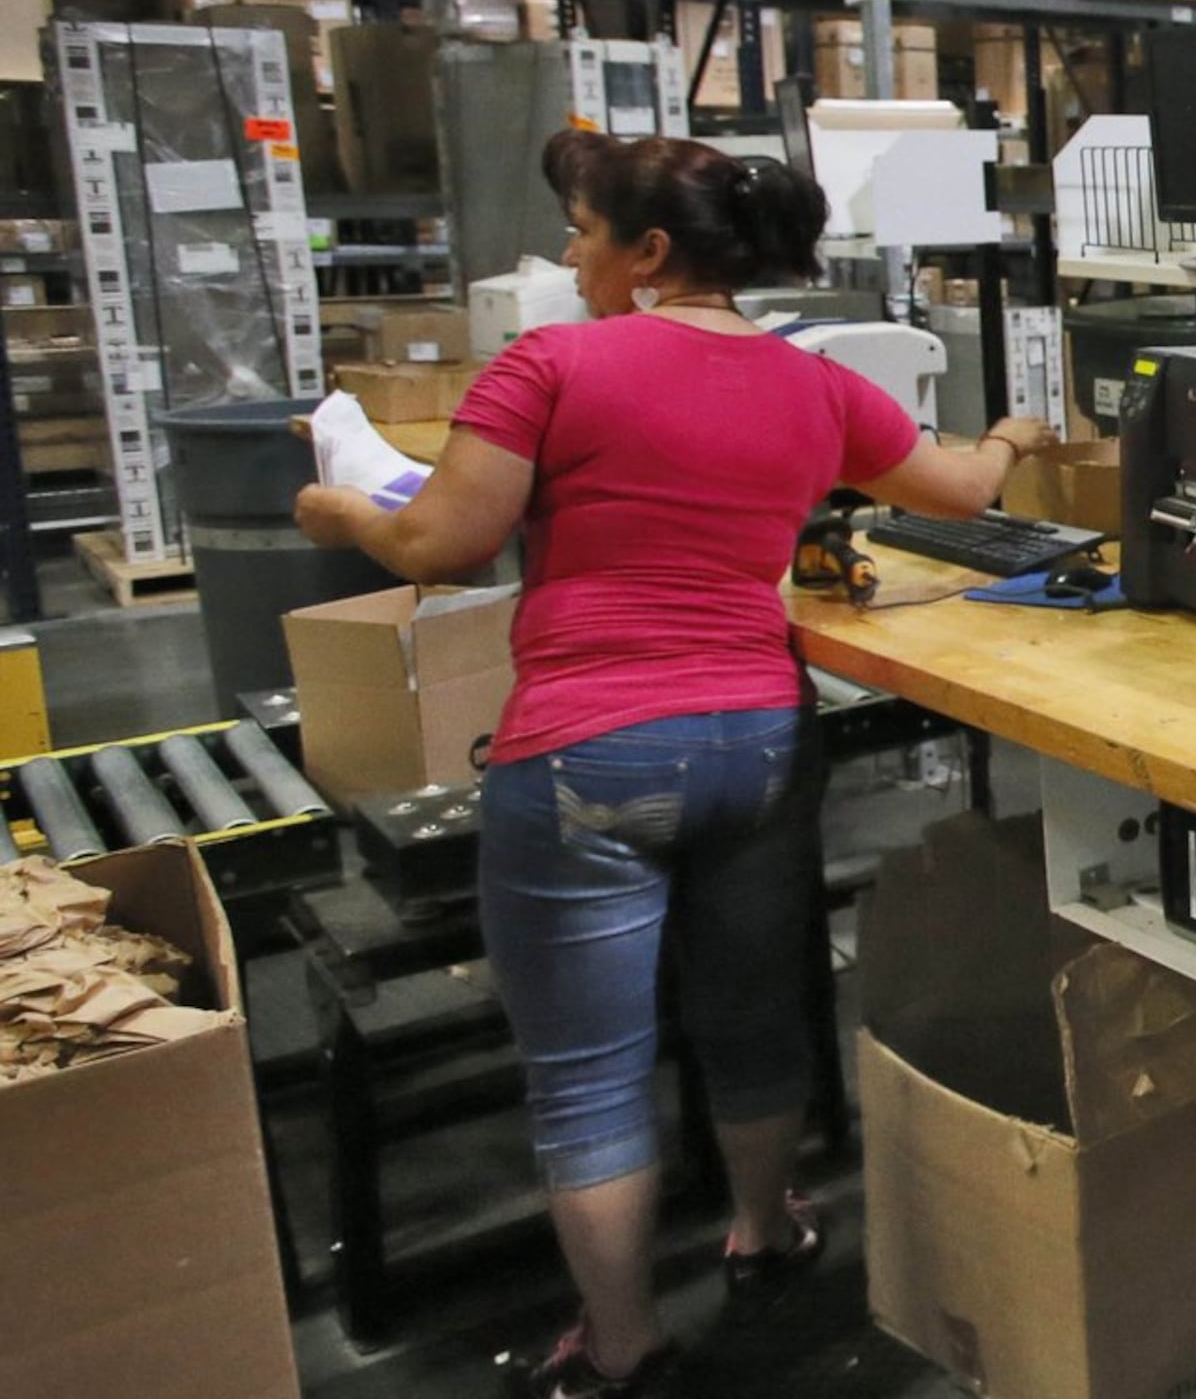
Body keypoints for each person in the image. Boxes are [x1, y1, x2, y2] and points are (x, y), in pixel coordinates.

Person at [296, 132, 1055, 1399]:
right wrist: (1016, 436)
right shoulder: (814, 383)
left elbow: (442, 541)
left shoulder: (553, 364)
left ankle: (622, 1346)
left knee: (589, 1071)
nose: (570, 257)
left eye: (584, 233)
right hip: (754, 740)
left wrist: (335, 508)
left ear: (649, 252)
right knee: (752, 1010)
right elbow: (961, 490)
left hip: (588, 752)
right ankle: (764, 1233)